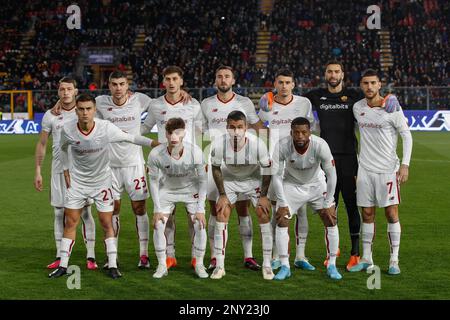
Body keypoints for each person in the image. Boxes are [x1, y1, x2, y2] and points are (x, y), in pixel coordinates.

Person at [48, 93, 158, 279]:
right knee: (70, 222)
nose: (85, 113)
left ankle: (113, 265)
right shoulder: (67, 129)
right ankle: (64, 266)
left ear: (94, 110)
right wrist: (66, 169)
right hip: (78, 184)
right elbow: (62, 148)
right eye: (81, 109)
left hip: (102, 183)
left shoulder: (105, 128)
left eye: (88, 109)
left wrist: (154, 143)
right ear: (76, 111)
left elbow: (131, 138)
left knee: (107, 222)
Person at [304, 61, 401, 270]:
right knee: (329, 205)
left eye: (337, 71)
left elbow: (376, 98)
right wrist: (269, 96)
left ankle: (356, 253)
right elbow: (291, 98)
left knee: (351, 206)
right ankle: (333, 249)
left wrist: (391, 97)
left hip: (350, 160)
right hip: (325, 161)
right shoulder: (315, 95)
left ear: (342, 74)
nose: (333, 74)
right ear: (325, 74)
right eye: (329, 71)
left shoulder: (355, 98)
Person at [201, 65, 265, 272]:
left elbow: (257, 127)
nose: (223, 79)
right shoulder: (206, 103)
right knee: (216, 209)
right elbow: (198, 130)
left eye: (227, 76)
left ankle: (248, 256)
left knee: (243, 210)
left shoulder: (244, 102)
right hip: (217, 161)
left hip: (243, 162)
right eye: (219, 76)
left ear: (233, 79)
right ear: (215, 80)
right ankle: (214, 257)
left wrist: (266, 149)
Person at [349, 69, 412, 275]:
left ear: (379, 85)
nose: (369, 87)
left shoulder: (392, 108)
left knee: (391, 213)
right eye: (365, 83)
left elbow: (407, 136)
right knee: (367, 213)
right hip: (365, 169)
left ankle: (394, 260)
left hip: (387, 170)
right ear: (361, 86)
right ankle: (367, 258)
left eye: (373, 83)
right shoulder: (357, 107)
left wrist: (405, 164)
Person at [141, 65, 203, 269]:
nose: (171, 83)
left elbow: (202, 131)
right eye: (167, 79)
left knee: (192, 215)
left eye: (175, 79)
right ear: (163, 81)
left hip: (189, 165)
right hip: (164, 165)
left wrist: (201, 157)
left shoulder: (193, 104)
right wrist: (152, 145)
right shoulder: (155, 105)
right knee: (167, 214)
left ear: (181, 81)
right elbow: (143, 128)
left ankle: (196, 256)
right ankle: (170, 255)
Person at [34, 77, 97, 270]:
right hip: (58, 170)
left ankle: (91, 257)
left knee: (85, 212)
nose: (65, 92)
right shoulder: (50, 115)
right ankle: (60, 255)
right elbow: (42, 144)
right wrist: (38, 170)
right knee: (59, 212)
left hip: (81, 171)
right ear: (58, 91)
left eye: (69, 89)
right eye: (62, 89)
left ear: (76, 91)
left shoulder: (84, 110)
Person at [258, 68, 316, 272]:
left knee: (301, 211)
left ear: (293, 84)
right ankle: (276, 254)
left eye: (287, 82)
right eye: (280, 82)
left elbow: (311, 129)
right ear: (275, 84)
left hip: (298, 164)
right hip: (276, 165)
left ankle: (300, 255)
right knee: (277, 210)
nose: (284, 86)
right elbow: (257, 125)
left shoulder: (303, 103)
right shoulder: (266, 104)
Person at [271, 117, 342, 281]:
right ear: (291, 133)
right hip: (291, 185)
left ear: (310, 132)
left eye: (304, 132)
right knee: (282, 218)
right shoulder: (282, 145)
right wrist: (281, 202)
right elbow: (276, 176)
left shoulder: (320, 145)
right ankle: (285, 266)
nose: (300, 136)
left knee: (330, 218)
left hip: (316, 185)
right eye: (296, 132)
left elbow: (332, 175)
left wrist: (329, 201)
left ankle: (331, 264)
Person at [95, 71, 153, 269]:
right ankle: (113, 255)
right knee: (113, 209)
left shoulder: (141, 100)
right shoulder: (100, 102)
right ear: (109, 86)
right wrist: (59, 105)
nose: (118, 88)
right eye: (114, 84)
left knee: (139, 208)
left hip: (134, 164)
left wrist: (183, 95)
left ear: (128, 85)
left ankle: (144, 255)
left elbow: (163, 105)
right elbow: (78, 108)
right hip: (109, 166)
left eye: (121, 84)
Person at [210, 111, 273, 280]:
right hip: (230, 180)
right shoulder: (219, 144)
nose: (236, 131)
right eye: (232, 127)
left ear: (246, 128)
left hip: (253, 181)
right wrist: (222, 194)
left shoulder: (257, 144)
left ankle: (267, 265)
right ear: (226, 128)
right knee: (221, 212)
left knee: (263, 212)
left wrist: (264, 196)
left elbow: (267, 169)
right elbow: (215, 168)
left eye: (240, 127)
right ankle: (220, 267)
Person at [147, 117, 208, 279]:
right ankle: (162, 264)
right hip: (167, 190)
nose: (174, 137)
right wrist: (156, 209)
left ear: (184, 133)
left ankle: (199, 263)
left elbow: (203, 181)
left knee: (199, 224)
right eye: (170, 133)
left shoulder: (195, 152)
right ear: (165, 134)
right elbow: (152, 182)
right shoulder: (155, 154)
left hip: (190, 190)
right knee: (159, 224)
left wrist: (201, 209)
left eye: (178, 133)